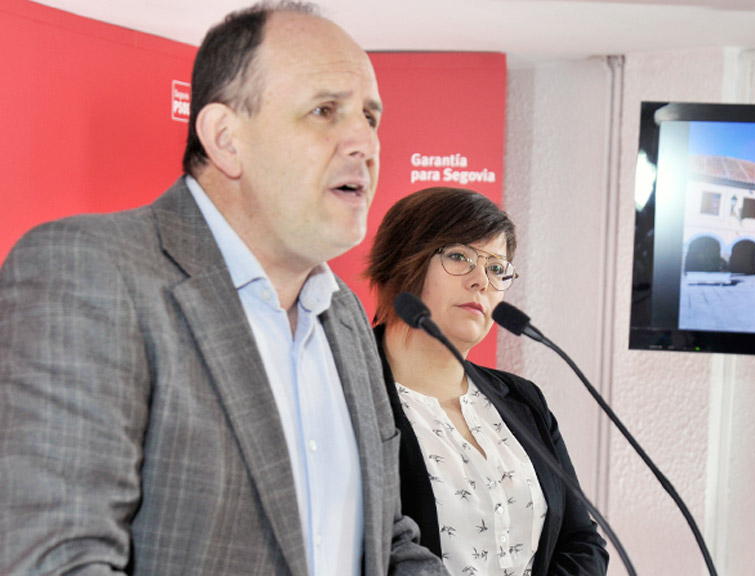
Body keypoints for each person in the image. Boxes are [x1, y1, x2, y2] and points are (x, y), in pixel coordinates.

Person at [0, 3, 446, 575]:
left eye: (370, 117)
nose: (364, 143)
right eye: (324, 111)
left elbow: (384, 543)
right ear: (225, 138)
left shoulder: (345, 316)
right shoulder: (90, 272)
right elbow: (55, 562)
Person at [366, 186, 610, 576]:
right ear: (402, 261)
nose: (481, 280)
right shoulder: (353, 397)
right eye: (460, 256)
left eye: (496, 268)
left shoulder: (523, 400)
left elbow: (582, 540)